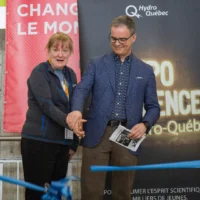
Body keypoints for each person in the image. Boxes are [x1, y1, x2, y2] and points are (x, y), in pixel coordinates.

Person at [67, 15, 160, 200]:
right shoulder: (96, 63)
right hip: (96, 134)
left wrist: (145, 124)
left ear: (133, 38)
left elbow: (153, 107)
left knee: (122, 193)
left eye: (122, 39)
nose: (117, 43)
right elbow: (81, 89)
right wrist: (76, 110)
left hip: (128, 134)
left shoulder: (146, 70)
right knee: (91, 192)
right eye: (113, 38)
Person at [21, 32, 79, 200]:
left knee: (55, 194)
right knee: (36, 193)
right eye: (55, 49)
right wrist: (70, 121)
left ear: (70, 53)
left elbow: (73, 108)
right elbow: (47, 105)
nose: (60, 54)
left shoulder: (71, 75)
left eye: (65, 50)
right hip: (38, 142)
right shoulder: (39, 72)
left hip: (62, 144)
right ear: (48, 51)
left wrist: (73, 143)